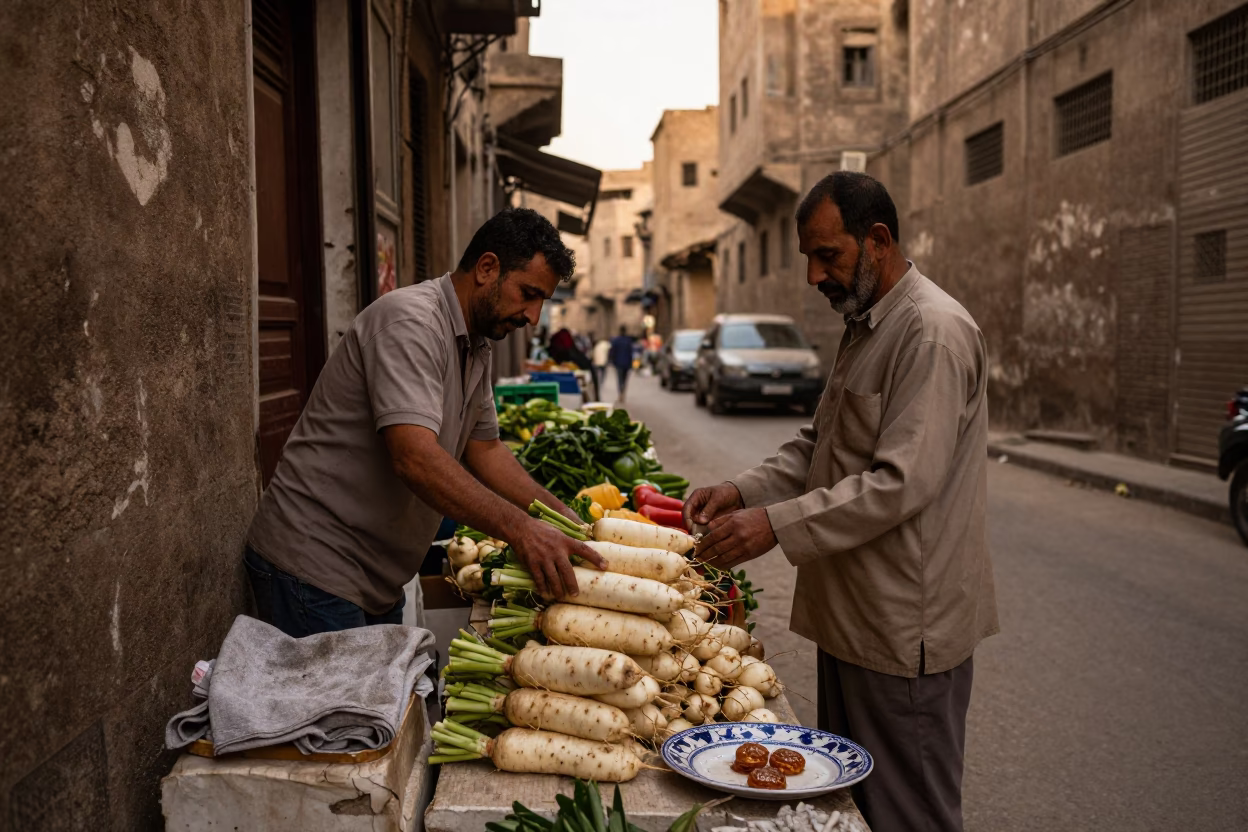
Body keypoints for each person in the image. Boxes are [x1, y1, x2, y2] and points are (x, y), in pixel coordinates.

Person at [684, 172, 997, 832]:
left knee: (908, 815)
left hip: (902, 632)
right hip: (852, 622)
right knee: (852, 809)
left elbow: (900, 483)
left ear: (878, 240)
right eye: (808, 257)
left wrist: (773, 525)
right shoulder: (867, 326)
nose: (813, 275)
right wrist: (742, 491)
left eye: (828, 255)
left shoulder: (931, 332)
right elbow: (819, 447)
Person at [245, 207, 607, 637]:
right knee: (341, 705)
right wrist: (520, 530)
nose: (533, 317)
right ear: (487, 268)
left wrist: (563, 519)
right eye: (528, 294)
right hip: (315, 570)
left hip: (374, 577)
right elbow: (414, 458)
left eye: (541, 302)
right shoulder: (411, 322)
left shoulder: (475, 345)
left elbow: (486, 450)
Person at [607, 326, 635, 403]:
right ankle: (623, 393)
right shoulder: (628, 341)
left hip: (618, 363)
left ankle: (620, 393)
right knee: (624, 379)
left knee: (620, 379)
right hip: (626, 363)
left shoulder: (616, 340)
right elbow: (631, 353)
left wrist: (612, 361)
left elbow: (612, 352)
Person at [591, 332, 611, 398]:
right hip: (603, 362)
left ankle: (599, 383)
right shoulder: (606, 344)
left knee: (598, 373)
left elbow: (593, 354)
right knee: (603, 373)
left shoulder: (597, 345)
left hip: (597, 362)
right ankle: (601, 382)